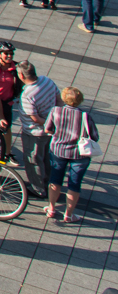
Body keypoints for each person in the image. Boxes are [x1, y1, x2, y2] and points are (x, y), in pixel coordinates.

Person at [43, 86, 96, 222]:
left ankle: (51, 208)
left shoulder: (55, 111)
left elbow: (48, 129)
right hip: (80, 155)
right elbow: (94, 136)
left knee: (55, 180)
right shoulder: (85, 116)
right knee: (74, 184)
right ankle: (69, 214)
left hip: (58, 151)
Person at [18, 60, 61, 180]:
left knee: (33, 160)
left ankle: (38, 189)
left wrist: (48, 125)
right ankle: (49, 181)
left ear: (21, 75)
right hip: (49, 131)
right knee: (46, 157)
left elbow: (35, 119)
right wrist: (54, 122)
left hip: (34, 133)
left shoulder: (27, 94)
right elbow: (59, 99)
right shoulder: (47, 80)